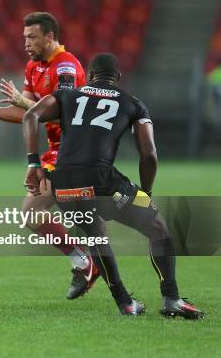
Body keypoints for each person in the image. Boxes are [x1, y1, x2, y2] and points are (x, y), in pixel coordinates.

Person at [22, 53, 204, 319]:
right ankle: (171, 299)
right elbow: (149, 153)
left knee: (97, 240)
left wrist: (33, 164)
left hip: (64, 185)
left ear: (90, 76)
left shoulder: (66, 96)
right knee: (158, 228)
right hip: (105, 182)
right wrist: (145, 193)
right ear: (118, 78)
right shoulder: (132, 104)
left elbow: (30, 115)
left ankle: (126, 303)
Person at [0, 12, 98, 299]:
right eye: (24, 37)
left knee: (37, 212)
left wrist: (25, 103)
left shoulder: (66, 67)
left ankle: (89, 263)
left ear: (50, 36)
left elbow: (63, 108)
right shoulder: (34, 67)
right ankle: (88, 262)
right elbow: (27, 113)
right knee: (37, 213)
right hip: (58, 152)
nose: (26, 43)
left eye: (32, 37)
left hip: (76, 150)